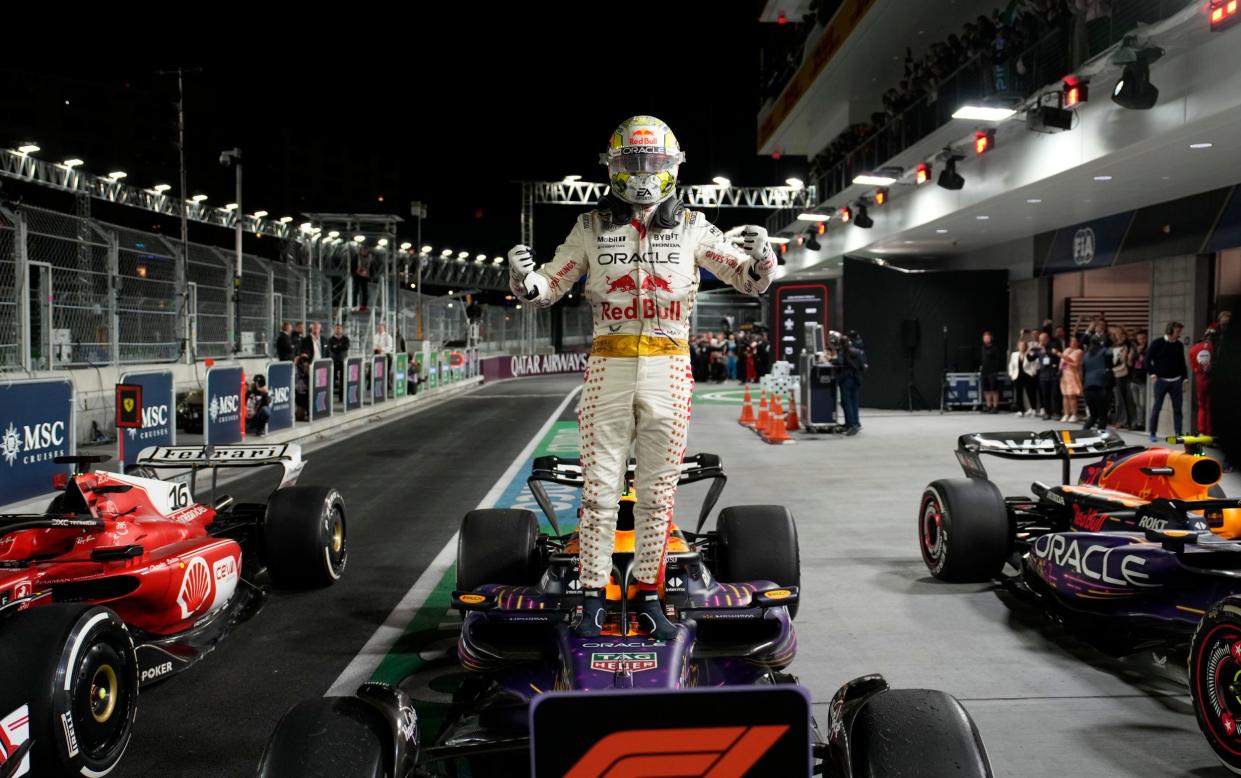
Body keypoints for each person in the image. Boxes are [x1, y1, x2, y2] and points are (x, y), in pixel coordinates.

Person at [505, 115, 775, 640]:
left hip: (670, 365)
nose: (645, 171)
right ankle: (589, 599)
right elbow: (550, 284)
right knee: (600, 491)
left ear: (672, 166)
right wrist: (522, 278)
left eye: (654, 162)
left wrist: (765, 253)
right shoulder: (589, 226)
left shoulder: (695, 225)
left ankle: (651, 597)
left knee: (658, 492)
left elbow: (750, 279)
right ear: (613, 166)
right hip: (607, 363)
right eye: (634, 161)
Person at [1146, 321, 1187, 441]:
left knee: (1178, 408)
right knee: (1157, 407)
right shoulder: (1157, 343)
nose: (1179, 333)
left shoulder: (1179, 345)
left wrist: (1185, 379)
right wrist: (1152, 374)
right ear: (1170, 330)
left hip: (1176, 381)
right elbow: (1147, 360)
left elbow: (1182, 364)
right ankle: (1152, 433)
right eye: (1177, 331)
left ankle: (1178, 433)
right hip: (1161, 381)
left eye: (1180, 331)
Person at [1081, 334, 1113, 430]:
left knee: (1093, 416)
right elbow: (1110, 360)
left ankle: (1082, 434)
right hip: (1101, 386)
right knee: (1103, 416)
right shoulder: (1104, 351)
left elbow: (1083, 370)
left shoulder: (1086, 355)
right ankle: (1100, 438)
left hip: (1087, 387)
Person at [1190, 326, 1217, 436]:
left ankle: (1202, 432)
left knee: (1201, 406)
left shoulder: (1194, 348)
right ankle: (1209, 433)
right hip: (1211, 379)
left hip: (1199, 379)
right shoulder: (1213, 347)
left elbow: (1193, 366)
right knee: (1209, 407)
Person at [838, 336, 867, 435]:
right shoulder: (857, 352)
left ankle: (850, 425)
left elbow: (840, 364)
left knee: (847, 403)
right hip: (856, 379)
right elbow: (863, 367)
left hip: (846, 380)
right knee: (854, 402)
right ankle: (856, 423)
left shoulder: (842, 353)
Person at [1028, 332, 1060, 420]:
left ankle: (1057, 412)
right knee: (1045, 395)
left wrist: (1046, 351)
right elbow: (1031, 358)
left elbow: (1059, 356)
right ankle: (1047, 412)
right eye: (1040, 340)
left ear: (1047, 339)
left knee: (1055, 394)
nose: (1042, 341)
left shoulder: (1054, 346)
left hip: (1053, 374)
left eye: (1043, 339)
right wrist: (1029, 351)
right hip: (1043, 375)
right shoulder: (1038, 349)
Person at [1109, 326, 1135, 429]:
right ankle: (1122, 420)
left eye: (1118, 333)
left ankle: (1128, 421)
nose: (1116, 335)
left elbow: (1130, 358)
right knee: (1118, 399)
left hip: (1124, 373)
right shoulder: (1112, 346)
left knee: (1127, 398)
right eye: (1115, 333)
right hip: (1114, 373)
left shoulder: (1128, 345)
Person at [1009, 335, 1038, 416]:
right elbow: (1011, 365)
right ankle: (1020, 410)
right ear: (1018, 346)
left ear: (1025, 346)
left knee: (1030, 392)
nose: (1021, 347)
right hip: (1017, 376)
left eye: (1023, 345)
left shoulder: (1029, 354)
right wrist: (1011, 374)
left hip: (1028, 375)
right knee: (1018, 394)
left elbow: (1034, 364)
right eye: (1020, 345)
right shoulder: (1014, 354)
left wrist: (1033, 373)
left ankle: (1033, 409)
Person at [1058, 335, 1083, 423]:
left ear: (1078, 343)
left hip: (1073, 374)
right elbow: (1062, 362)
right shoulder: (1067, 350)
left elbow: (1075, 363)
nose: (1071, 342)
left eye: (1073, 341)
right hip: (1065, 375)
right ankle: (1066, 413)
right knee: (1065, 395)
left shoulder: (1079, 351)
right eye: (1071, 341)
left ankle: (1074, 414)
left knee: (1072, 395)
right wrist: (1061, 368)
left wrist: (1063, 357)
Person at [978, 331, 1003, 413]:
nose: (986, 339)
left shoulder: (994, 348)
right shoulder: (982, 347)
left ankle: (995, 407)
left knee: (994, 389)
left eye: (987, 338)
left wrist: (996, 370)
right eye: (984, 338)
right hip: (984, 371)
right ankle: (989, 406)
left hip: (992, 371)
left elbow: (997, 360)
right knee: (986, 389)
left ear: (991, 338)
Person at [1130, 330, 1149, 431]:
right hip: (1134, 379)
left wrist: (1143, 357)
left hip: (1143, 381)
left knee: (1143, 404)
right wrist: (1134, 353)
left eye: (1143, 338)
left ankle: (1143, 423)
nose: (1141, 341)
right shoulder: (1135, 349)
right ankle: (1139, 422)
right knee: (1137, 404)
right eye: (1139, 339)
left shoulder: (1148, 350)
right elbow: (1129, 363)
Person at [328, 323, 350, 395]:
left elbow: (346, 347)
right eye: (337, 328)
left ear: (342, 330)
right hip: (333, 361)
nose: (338, 330)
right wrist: (340, 346)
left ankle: (342, 396)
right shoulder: (331, 339)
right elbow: (331, 348)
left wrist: (336, 346)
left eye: (340, 329)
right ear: (334, 330)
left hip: (343, 361)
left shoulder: (346, 339)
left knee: (343, 379)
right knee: (332, 379)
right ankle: (330, 395)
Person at [353, 248, 372, 312]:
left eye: (366, 250)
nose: (364, 252)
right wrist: (355, 272)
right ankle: (354, 305)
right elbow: (353, 265)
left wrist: (369, 275)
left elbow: (371, 267)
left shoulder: (369, 257)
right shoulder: (357, 257)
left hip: (365, 275)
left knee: (364, 291)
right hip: (357, 275)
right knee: (356, 290)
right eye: (363, 250)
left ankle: (364, 305)